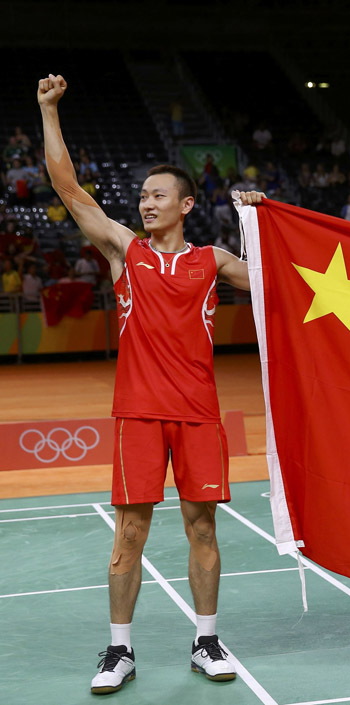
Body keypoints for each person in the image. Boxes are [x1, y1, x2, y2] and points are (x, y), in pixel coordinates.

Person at [38, 72, 265, 695]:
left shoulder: (212, 261)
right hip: (139, 412)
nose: (146, 202)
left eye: (158, 195)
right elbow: (66, 185)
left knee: (202, 529)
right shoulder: (125, 252)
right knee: (129, 532)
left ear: (186, 204)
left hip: (198, 412)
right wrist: (50, 111)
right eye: (142, 195)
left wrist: (258, 222)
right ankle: (119, 650)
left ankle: (207, 639)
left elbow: (284, 285)